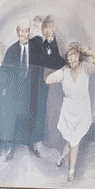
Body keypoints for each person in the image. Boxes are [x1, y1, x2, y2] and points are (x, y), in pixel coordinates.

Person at [45, 41, 95, 181]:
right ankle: (61, 158)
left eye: (74, 55)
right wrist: (51, 74)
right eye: (69, 56)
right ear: (66, 58)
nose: (72, 58)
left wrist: (89, 53)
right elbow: (48, 79)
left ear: (79, 55)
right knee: (69, 141)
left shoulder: (85, 68)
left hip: (82, 113)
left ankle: (71, 171)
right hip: (68, 113)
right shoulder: (64, 72)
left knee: (74, 142)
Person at [1, 20, 39, 158]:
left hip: (30, 89)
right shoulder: (11, 50)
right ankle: (10, 147)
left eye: (27, 31)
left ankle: (31, 144)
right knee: (11, 118)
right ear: (17, 33)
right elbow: (4, 70)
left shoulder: (35, 49)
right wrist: (2, 85)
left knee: (31, 116)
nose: (25, 34)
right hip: (14, 89)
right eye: (22, 31)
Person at [28, 16, 65, 147]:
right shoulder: (35, 42)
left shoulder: (51, 41)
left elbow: (55, 60)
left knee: (47, 110)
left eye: (51, 28)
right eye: (37, 26)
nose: (48, 30)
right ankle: (34, 140)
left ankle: (43, 140)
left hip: (47, 83)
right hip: (35, 81)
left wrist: (65, 64)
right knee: (35, 109)